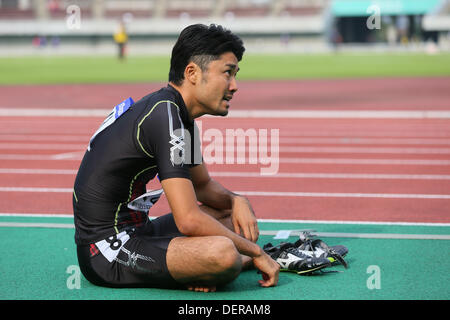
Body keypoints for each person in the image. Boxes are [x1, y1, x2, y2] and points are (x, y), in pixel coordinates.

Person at [73, 23, 280, 292]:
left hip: (141, 231)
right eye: (228, 73)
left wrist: (236, 200)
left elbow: (202, 186)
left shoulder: (178, 115)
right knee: (223, 254)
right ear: (192, 72)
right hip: (106, 252)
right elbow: (188, 219)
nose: (235, 86)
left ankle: (199, 268)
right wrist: (255, 252)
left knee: (231, 217)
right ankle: (210, 267)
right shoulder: (165, 116)